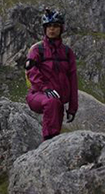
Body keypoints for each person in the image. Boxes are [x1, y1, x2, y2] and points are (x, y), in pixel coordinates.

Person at [25, 8, 78, 140]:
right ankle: (47, 143)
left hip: (57, 99)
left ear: (61, 28)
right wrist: (44, 88)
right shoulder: (38, 50)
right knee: (52, 103)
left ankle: (52, 144)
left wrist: (72, 108)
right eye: (48, 26)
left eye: (55, 26)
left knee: (55, 106)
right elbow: (31, 71)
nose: (51, 29)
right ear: (44, 29)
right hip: (37, 95)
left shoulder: (67, 52)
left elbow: (73, 80)